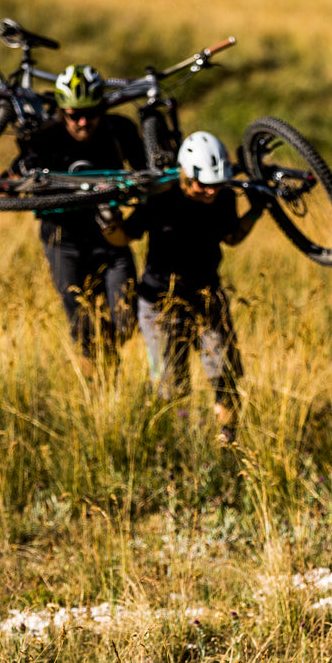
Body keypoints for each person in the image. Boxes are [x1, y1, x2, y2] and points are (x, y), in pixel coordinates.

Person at [7, 63, 150, 368]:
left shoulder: (119, 130)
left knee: (126, 321)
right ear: (62, 111)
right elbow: (12, 176)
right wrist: (10, 187)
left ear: (102, 108)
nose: (83, 122)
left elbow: (146, 174)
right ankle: (96, 384)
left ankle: (107, 353)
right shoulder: (45, 136)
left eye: (91, 113)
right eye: (74, 115)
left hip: (110, 237)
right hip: (63, 241)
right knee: (82, 325)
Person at [128, 130, 262, 445]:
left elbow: (232, 236)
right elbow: (124, 235)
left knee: (225, 376)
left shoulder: (223, 198)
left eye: (216, 186)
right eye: (202, 185)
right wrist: (107, 221)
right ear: (185, 174)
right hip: (160, 302)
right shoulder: (159, 198)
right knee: (171, 388)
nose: (209, 192)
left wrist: (256, 210)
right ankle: (161, 445)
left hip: (207, 296)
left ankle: (228, 441)